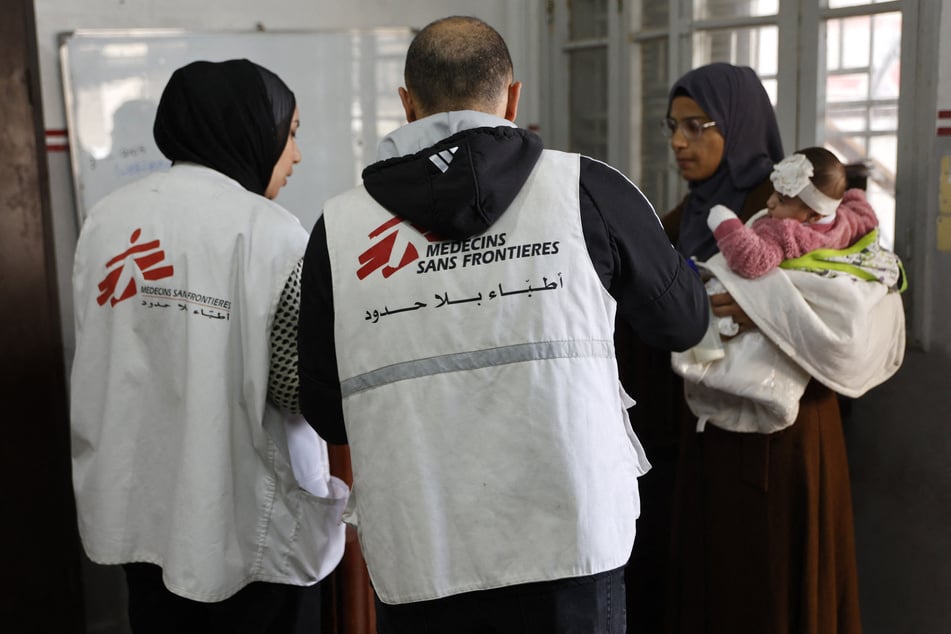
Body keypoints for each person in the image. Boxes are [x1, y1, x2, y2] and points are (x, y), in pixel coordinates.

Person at [297, 15, 708, 634]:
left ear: (407, 105)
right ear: (513, 97)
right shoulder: (586, 190)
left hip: (423, 553)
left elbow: (328, 414)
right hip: (571, 544)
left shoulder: (340, 230)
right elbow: (683, 323)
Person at [70, 59, 347, 633]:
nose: (295, 156)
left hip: (143, 517)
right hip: (252, 533)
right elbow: (298, 391)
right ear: (249, 128)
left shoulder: (108, 219)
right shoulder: (272, 233)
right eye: (290, 134)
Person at [657, 62, 903, 634]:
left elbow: (859, 289)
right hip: (708, 433)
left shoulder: (794, 208)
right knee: (716, 584)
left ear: (738, 127)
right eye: (673, 124)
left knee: (774, 586)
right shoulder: (683, 217)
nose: (678, 141)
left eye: (698, 125)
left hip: (788, 438)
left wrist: (768, 307)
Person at [708, 146, 878, 278]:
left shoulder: (787, 234)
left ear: (813, 216)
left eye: (781, 200)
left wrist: (725, 223)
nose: (770, 202)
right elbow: (865, 215)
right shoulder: (849, 221)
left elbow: (754, 261)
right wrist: (853, 195)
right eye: (774, 193)